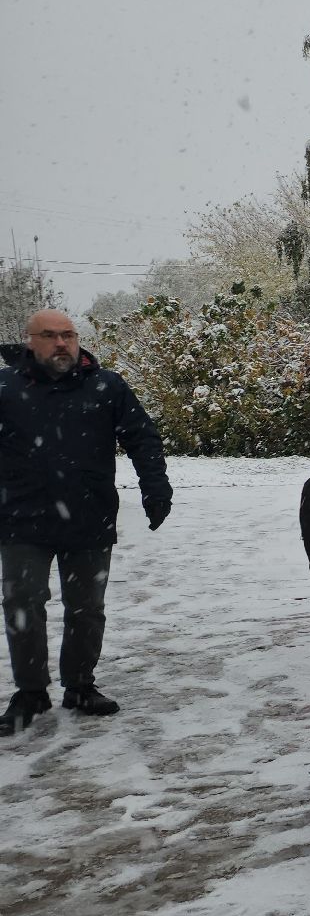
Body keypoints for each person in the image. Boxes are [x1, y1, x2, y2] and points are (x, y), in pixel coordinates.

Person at [0, 310, 170, 736]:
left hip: (88, 516)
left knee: (86, 609)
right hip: (21, 520)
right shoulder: (5, 388)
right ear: (30, 341)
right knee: (23, 606)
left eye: (69, 335)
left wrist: (155, 487)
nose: (62, 343)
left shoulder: (106, 386)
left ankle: (79, 685)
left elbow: (142, 436)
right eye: (51, 336)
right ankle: (31, 692)